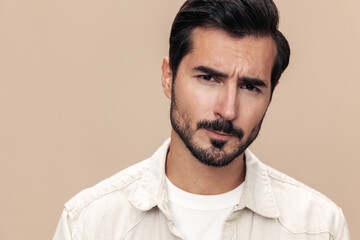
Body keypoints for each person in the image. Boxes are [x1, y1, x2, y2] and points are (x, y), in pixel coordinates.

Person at [54, 0, 350, 239]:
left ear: (270, 94)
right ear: (168, 77)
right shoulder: (90, 224)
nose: (228, 110)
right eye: (208, 77)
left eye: (250, 86)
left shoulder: (318, 227)